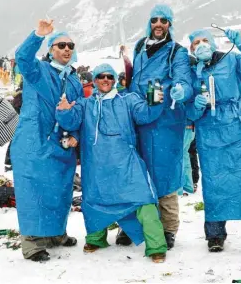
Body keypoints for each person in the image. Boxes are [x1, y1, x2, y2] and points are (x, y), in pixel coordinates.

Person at [56, 63, 168, 263]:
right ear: (95, 80)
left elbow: (145, 114)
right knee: (95, 201)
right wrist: (64, 111)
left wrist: (156, 101)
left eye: (109, 76)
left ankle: (156, 246)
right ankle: (95, 238)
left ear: (114, 79)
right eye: (101, 76)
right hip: (96, 165)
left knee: (143, 200)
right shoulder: (85, 103)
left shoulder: (128, 99)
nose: (105, 80)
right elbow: (71, 122)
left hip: (126, 162)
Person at [186, 28, 241, 259]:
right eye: (196, 42)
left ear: (214, 43)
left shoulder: (233, 60)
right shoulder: (193, 73)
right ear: (191, 49)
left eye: (205, 40)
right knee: (214, 182)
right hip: (208, 131)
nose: (202, 45)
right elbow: (190, 114)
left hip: (237, 126)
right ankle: (215, 235)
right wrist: (196, 104)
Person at [11, 19, 83, 262]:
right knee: (32, 190)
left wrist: (75, 135)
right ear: (51, 49)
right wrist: (38, 35)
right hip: (34, 142)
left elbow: (80, 111)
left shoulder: (74, 80)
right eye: (61, 45)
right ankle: (31, 243)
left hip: (61, 145)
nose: (66, 49)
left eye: (70, 46)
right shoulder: (38, 71)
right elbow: (22, 58)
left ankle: (56, 233)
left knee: (60, 189)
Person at [126, 4, 193, 249]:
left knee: (165, 175)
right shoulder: (139, 48)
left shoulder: (177, 52)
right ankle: (137, 224)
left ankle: (168, 228)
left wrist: (182, 89)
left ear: (170, 25)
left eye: (164, 20)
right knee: (138, 174)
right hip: (140, 120)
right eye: (154, 20)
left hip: (166, 121)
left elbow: (183, 78)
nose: (158, 24)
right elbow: (134, 80)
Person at [4, 80, 23, 172]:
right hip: (20, 123)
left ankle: (9, 162)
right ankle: (10, 162)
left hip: (17, 122)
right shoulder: (22, 95)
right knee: (17, 141)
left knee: (15, 141)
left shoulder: (19, 94)